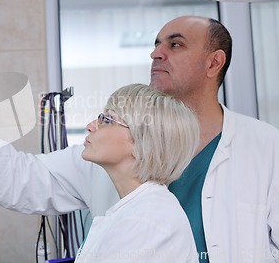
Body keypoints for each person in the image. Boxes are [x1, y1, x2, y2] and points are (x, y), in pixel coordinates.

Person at [0, 16, 279, 263]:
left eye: (175, 44)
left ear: (213, 63)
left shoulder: (266, 146)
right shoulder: (108, 156)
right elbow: (23, 176)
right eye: (156, 43)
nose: (156, 53)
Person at [75, 83, 199, 263]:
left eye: (108, 120)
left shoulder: (148, 219)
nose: (90, 126)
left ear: (142, 144)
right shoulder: (139, 210)